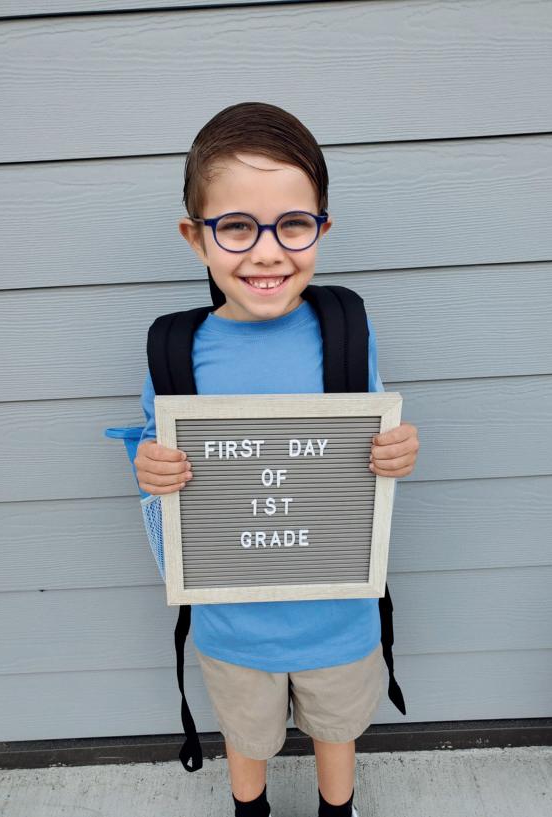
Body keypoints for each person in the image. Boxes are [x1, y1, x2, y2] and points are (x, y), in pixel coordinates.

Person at [133, 101, 420, 817]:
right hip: (233, 622)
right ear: (195, 237)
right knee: (247, 733)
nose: (267, 252)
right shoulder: (176, 351)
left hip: (338, 614)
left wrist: (393, 452)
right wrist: (151, 470)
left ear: (322, 226)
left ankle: (337, 809)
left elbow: (369, 438)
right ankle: (249, 808)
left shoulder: (345, 329)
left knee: (337, 728)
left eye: (292, 224)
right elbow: (154, 452)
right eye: (236, 226)